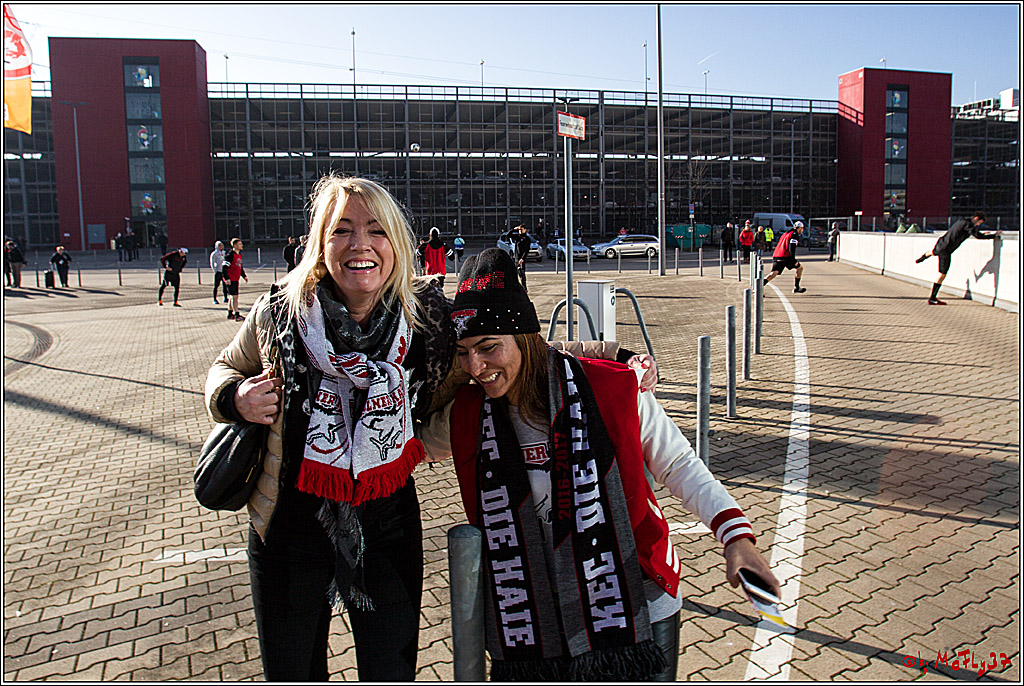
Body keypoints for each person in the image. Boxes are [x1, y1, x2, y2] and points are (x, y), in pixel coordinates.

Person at [419, 249, 779, 681]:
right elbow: (400, 451)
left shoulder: (612, 387)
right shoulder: (467, 413)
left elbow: (679, 463)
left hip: (635, 601)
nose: (476, 366)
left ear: (526, 337)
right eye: (464, 352)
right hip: (532, 617)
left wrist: (736, 538)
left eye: (488, 347)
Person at [204, 175, 462, 682]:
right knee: (293, 671)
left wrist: (417, 443)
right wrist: (237, 397)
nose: (360, 244)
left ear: (397, 243)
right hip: (287, 527)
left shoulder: (427, 318)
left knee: (390, 671)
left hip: (386, 524)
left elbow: (482, 384)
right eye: (341, 229)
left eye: (376, 230)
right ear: (321, 244)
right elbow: (223, 367)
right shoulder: (278, 313)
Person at [915, 211, 1001, 305]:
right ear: (976, 218)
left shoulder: (962, 221)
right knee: (942, 274)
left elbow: (970, 232)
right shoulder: (968, 225)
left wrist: (983, 233)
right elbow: (977, 236)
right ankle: (932, 298)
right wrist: (993, 236)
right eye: (979, 223)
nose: (978, 225)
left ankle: (922, 258)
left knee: (933, 252)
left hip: (941, 244)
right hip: (946, 251)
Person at [763, 221, 806, 293]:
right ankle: (796, 287)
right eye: (802, 229)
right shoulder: (794, 235)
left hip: (777, 255)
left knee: (774, 272)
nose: (802, 230)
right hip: (786, 256)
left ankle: (759, 286)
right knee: (800, 268)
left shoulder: (786, 233)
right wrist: (793, 260)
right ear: (799, 228)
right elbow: (791, 247)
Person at [223, 238, 248, 321]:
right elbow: (224, 267)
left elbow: (240, 267)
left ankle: (230, 313)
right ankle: (237, 314)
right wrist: (227, 278)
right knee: (235, 297)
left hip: (235, 279)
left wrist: (244, 276)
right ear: (234, 245)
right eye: (239, 244)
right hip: (231, 279)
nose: (241, 245)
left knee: (232, 297)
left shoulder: (239, 255)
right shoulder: (230, 255)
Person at [511, 224, 531, 293]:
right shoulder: (518, 237)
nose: (520, 231)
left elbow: (526, 250)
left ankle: (524, 289)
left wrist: (523, 259)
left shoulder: (527, 239)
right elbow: (508, 235)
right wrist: (514, 229)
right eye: (519, 230)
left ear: (525, 230)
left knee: (522, 274)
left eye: (521, 229)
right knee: (514, 273)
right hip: (516, 258)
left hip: (521, 259)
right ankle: (516, 288)